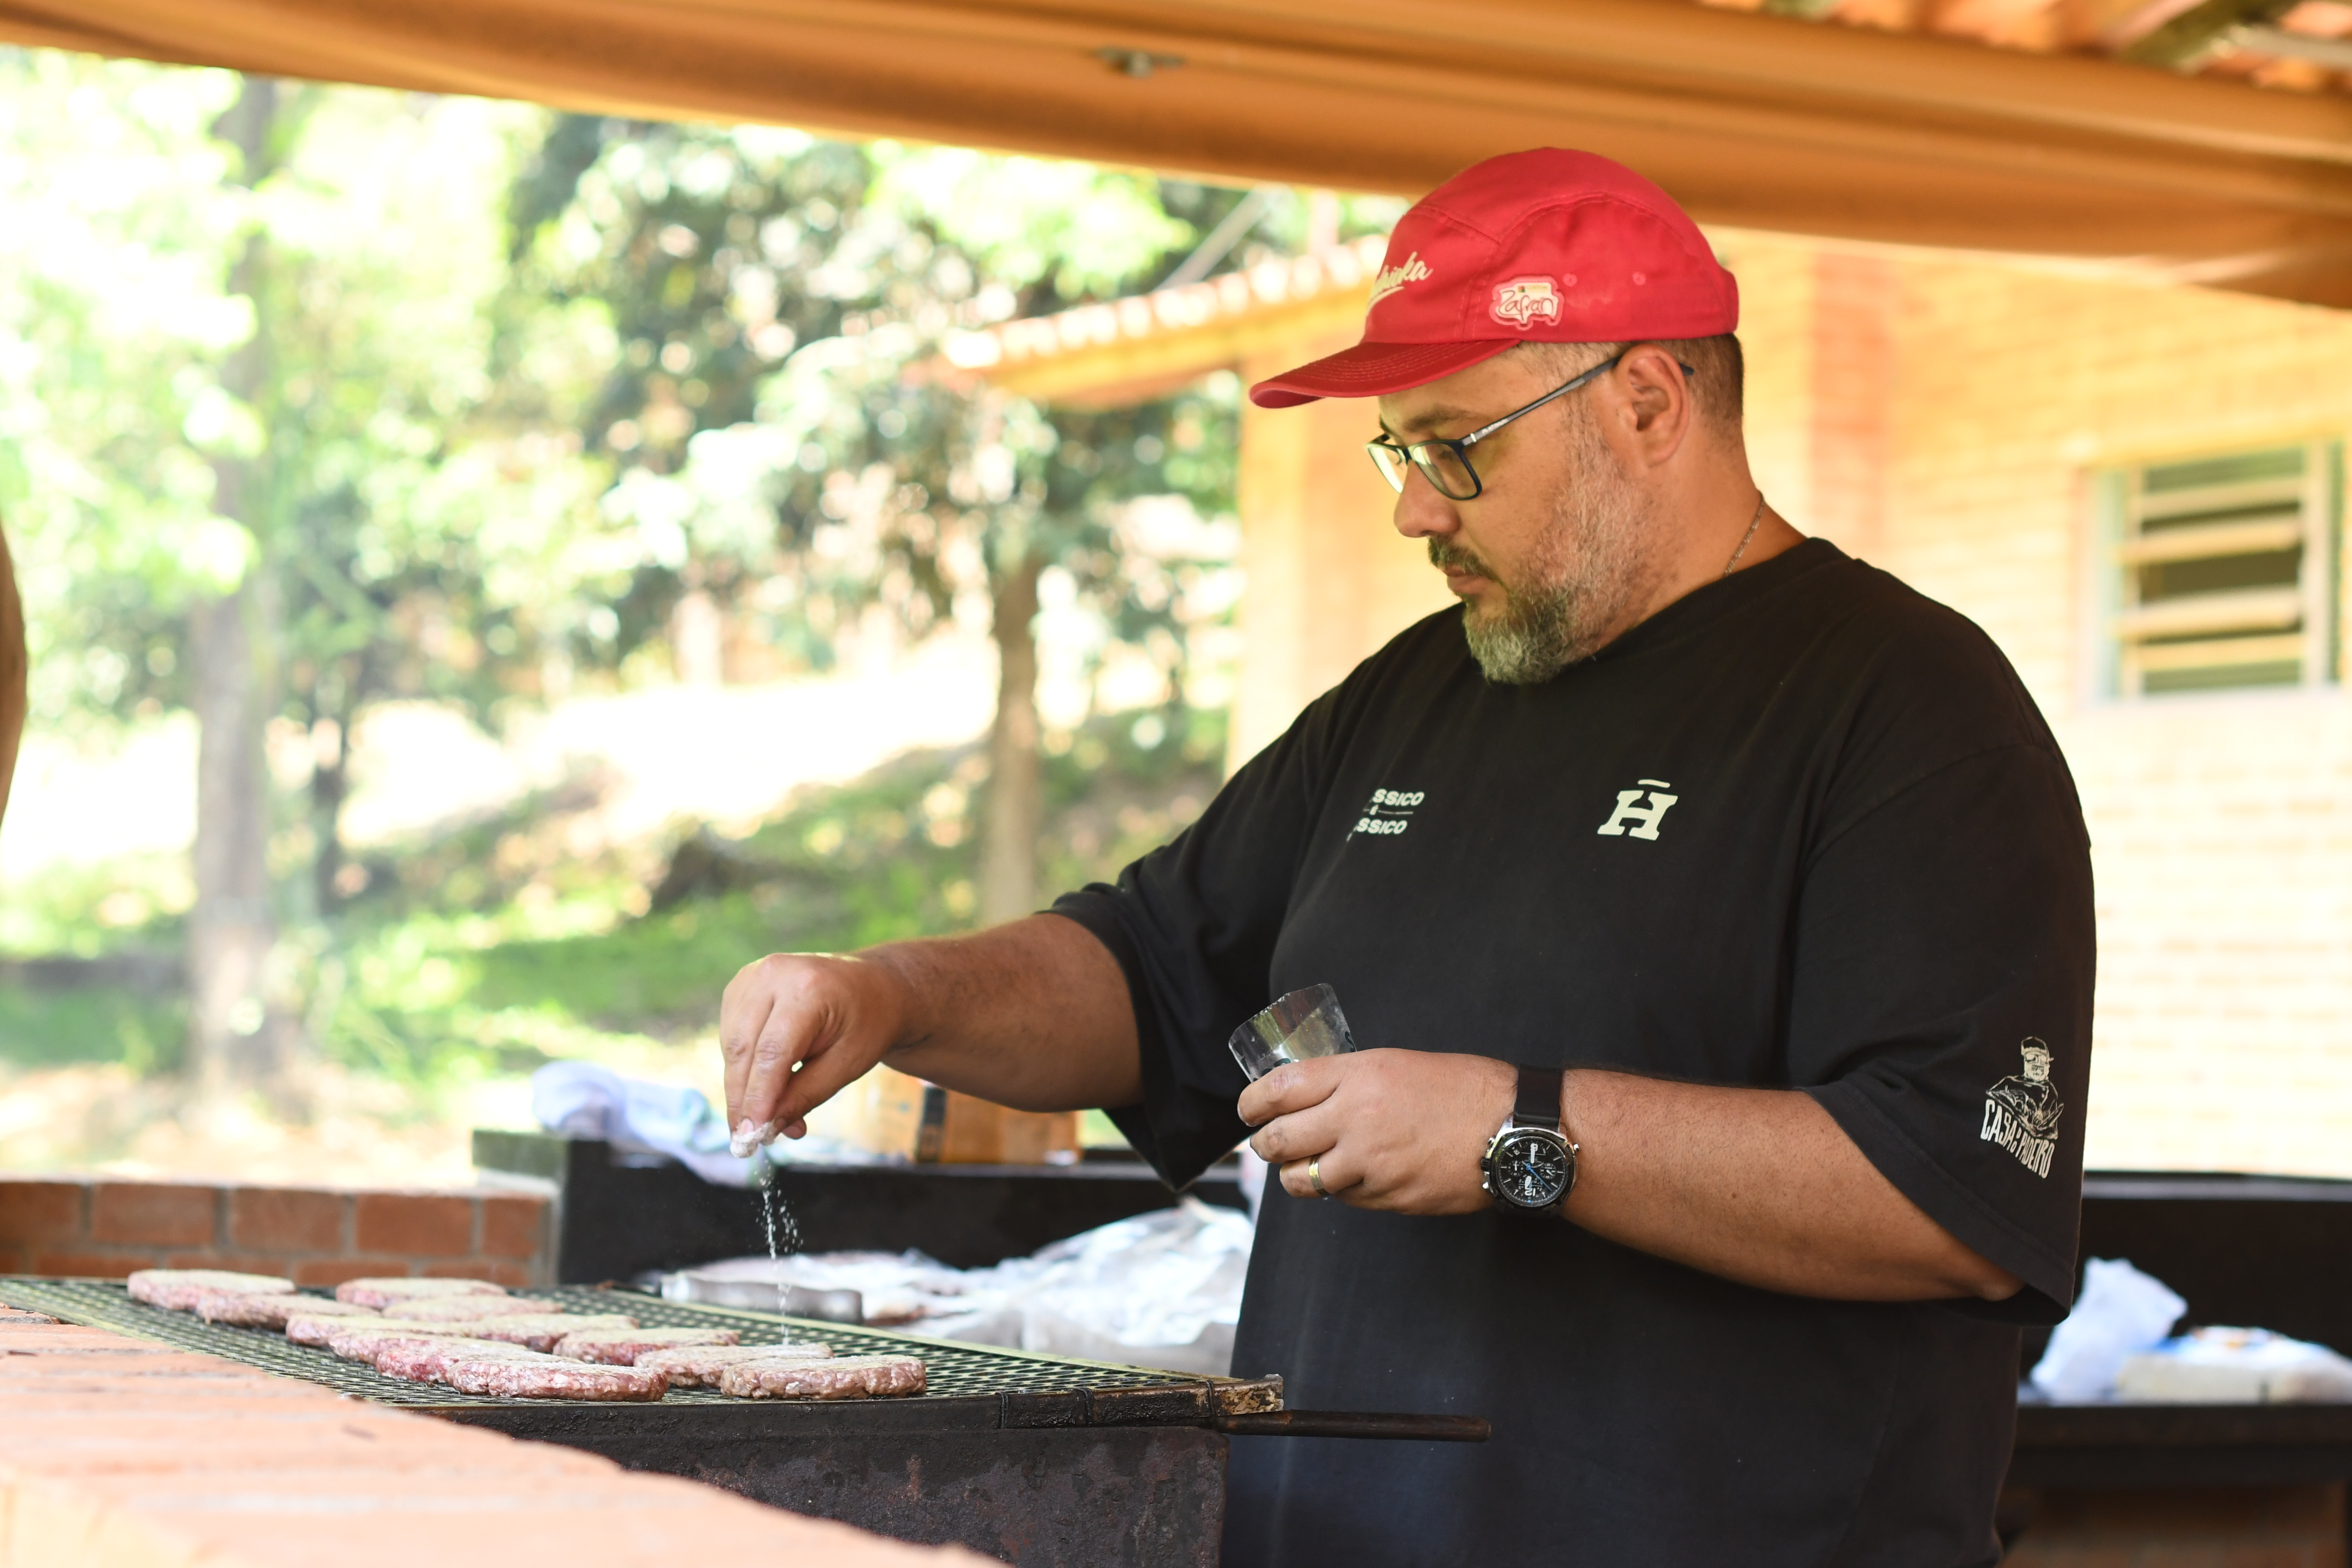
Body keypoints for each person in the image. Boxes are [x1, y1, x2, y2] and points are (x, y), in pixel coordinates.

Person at [719, 148, 2093, 1567]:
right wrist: (893, 998)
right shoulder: (1416, 693)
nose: (1415, 509)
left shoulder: (1910, 707)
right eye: (1399, 452)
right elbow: (1147, 973)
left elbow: (1952, 1195)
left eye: (1457, 448)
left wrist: (1520, 1132)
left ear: (1646, 403)